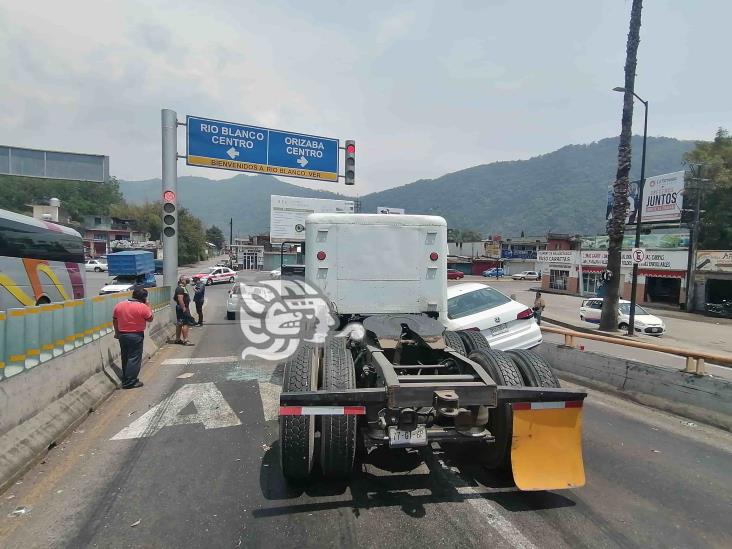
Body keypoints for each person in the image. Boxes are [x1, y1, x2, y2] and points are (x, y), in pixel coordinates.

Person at [112, 286, 153, 389]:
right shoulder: (142, 307)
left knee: (125, 356)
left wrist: (117, 332)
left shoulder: (120, 305)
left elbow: (115, 320)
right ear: (144, 298)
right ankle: (131, 382)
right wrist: (148, 305)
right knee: (134, 358)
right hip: (136, 335)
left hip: (122, 334)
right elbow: (150, 318)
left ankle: (126, 378)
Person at [174, 276, 195, 345]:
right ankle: (185, 340)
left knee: (180, 323)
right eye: (186, 279)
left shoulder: (181, 288)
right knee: (185, 324)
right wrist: (184, 308)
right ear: (182, 280)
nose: (188, 280)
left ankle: (177, 339)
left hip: (180, 307)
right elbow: (180, 299)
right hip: (182, 308)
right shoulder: (180, 289)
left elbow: (175, 298)